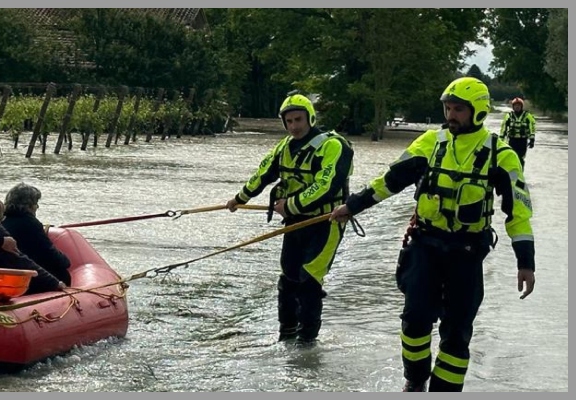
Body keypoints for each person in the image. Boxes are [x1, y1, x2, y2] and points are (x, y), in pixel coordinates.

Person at [330, 77, 536, 392]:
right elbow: (390, 181)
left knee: (457, 331)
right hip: (425, 245)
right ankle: (414, 381)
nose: (451, 115)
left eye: (458, 110)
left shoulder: (502, 155)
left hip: (466, 253)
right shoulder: (430, 142)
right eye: (448, 108)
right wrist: (352, 206)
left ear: (478, 112)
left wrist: (526, 262)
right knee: (414, 319)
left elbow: (519, 213)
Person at [225, 93, 355, 346]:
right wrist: (240, 198)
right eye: (289, 121)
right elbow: (263, 174)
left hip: (326, 222)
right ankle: (286, 335)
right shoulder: (284, 147)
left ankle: (307, 342)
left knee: (309, 278)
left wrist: (290, 205)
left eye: (299, 120)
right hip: (295, 223)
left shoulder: (334, 146)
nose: (294, 126)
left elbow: (326, 185)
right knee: (288, 278)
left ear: (310, 118)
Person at [1, 183, 72, 286]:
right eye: (36, 203)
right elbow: (49, 252)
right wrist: (66, 261)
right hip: (29, 279)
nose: (37, 207)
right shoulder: (30, 224)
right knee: (62, 272)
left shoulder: (2, 221)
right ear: (28, 205)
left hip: (9, 273)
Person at [499, 97, 537, 168]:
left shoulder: (527, 116)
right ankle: (511, 174)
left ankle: (520, 173)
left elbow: (532, 127)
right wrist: (501, 140)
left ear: (521, 106)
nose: (517, 107)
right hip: (512, 140)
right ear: (513, 107)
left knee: (520, 158)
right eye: (515, 105)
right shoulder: (508, 116)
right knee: (511, 157)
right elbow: (503, 128)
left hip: (522, 141)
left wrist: (532, 139)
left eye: (519, 105)